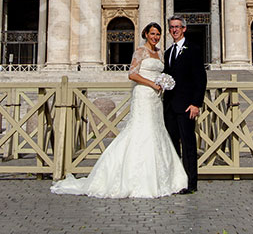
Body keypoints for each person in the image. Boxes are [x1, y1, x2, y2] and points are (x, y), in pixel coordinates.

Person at [51, 22, 187, 198]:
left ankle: (161, 178)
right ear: (145, 34)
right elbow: (132, 74)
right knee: (141, 132)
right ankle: (137, 179)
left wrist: (163, 83)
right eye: (152, 33)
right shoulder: (140, 51)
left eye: (158, 34)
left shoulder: (161, 53)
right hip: (144, 95)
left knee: (156, 132)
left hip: (156, 98)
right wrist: (152, 84)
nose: (155, 37)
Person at [163, 15, 206, 194]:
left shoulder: (193, 49)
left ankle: (191, 183)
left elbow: (200, 79)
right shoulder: (168, 53)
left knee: (188, 144)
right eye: (172, 27)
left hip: (187, 105)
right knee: (172, 145)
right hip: (170, 106)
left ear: (184, 29)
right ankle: (176, 181)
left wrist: (196, 103)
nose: (174, 30)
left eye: (177, 27)